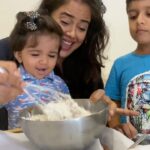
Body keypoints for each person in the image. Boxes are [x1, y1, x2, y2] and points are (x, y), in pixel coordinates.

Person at [3, 10, 71, 129]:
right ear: (19, 55)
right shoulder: (13, 82)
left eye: (51, 55)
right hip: (20, 144)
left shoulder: (59, 84)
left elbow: (70, 113)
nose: (44, 61)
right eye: (35, 54)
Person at [105, 0, 150, 139]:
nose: (139, 21)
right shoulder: (120, 64)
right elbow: (113, 107)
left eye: (149, 14)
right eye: (132, 16)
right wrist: (117, 129)